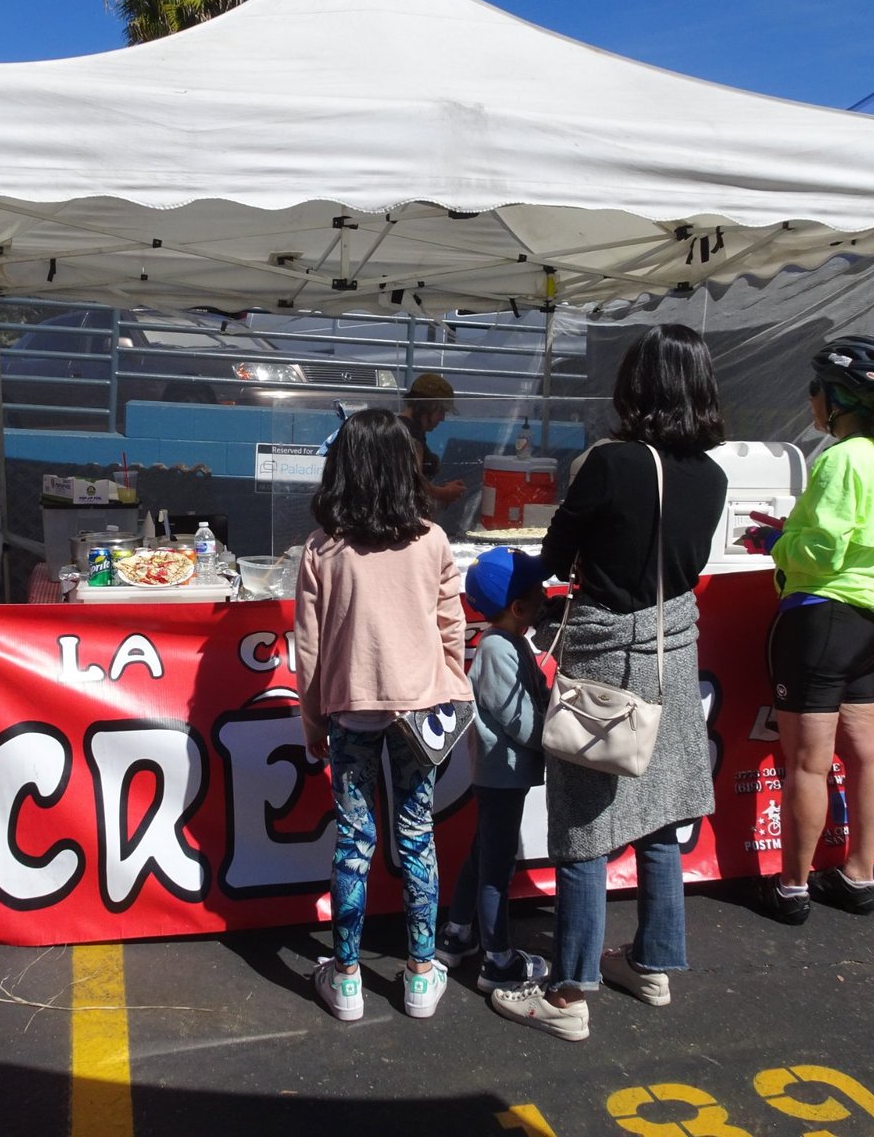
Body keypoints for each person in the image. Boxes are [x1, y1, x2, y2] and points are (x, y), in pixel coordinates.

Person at [491, 323, 727, 1042]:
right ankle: (651, 964)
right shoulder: (713, 477)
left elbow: (557, 557)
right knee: (660, 810)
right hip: (673, 655)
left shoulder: (612, 464)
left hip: (605, 660)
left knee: (586, 823)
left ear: (636, 388)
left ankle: (568, 992)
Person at [294, 407, 473, 1022]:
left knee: (353, 841)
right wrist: (452, 692)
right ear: (408, 469)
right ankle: (421, 973)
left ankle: (345, 977)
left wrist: (312, 718)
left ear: (342, 467)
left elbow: (309, 646)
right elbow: (453, 628)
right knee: (416, 835)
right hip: (420, 710)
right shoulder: (433, 541)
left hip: (349, 713)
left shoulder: (323, 548)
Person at [757, 336, 874, 924]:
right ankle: (859, 876)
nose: (810, 400)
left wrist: (777, 543)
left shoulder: (842, 455)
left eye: (815, 390)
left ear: (839, 397)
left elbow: (821, 552)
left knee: (807, 763)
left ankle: (793, 888)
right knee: (866, 756)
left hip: (821, 617)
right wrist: (792, 533)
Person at [435, 548, 551, 994]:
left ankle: (457, 933)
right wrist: (555, 739)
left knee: (482, 853)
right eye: (539, 593)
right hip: (503, 774)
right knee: (496, 870)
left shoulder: (508, 642)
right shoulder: (498, 648)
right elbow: (518, 719)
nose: (546, 597)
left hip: (502, 775)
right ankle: (497, 960)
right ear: (519, 608)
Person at [399, 372, 467, 506]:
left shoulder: (410, 430)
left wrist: (440, 488)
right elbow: (413, 485)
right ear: (428, 407)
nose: (442, 418)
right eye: (440, 411)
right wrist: (444, 493)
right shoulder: (408, 435)